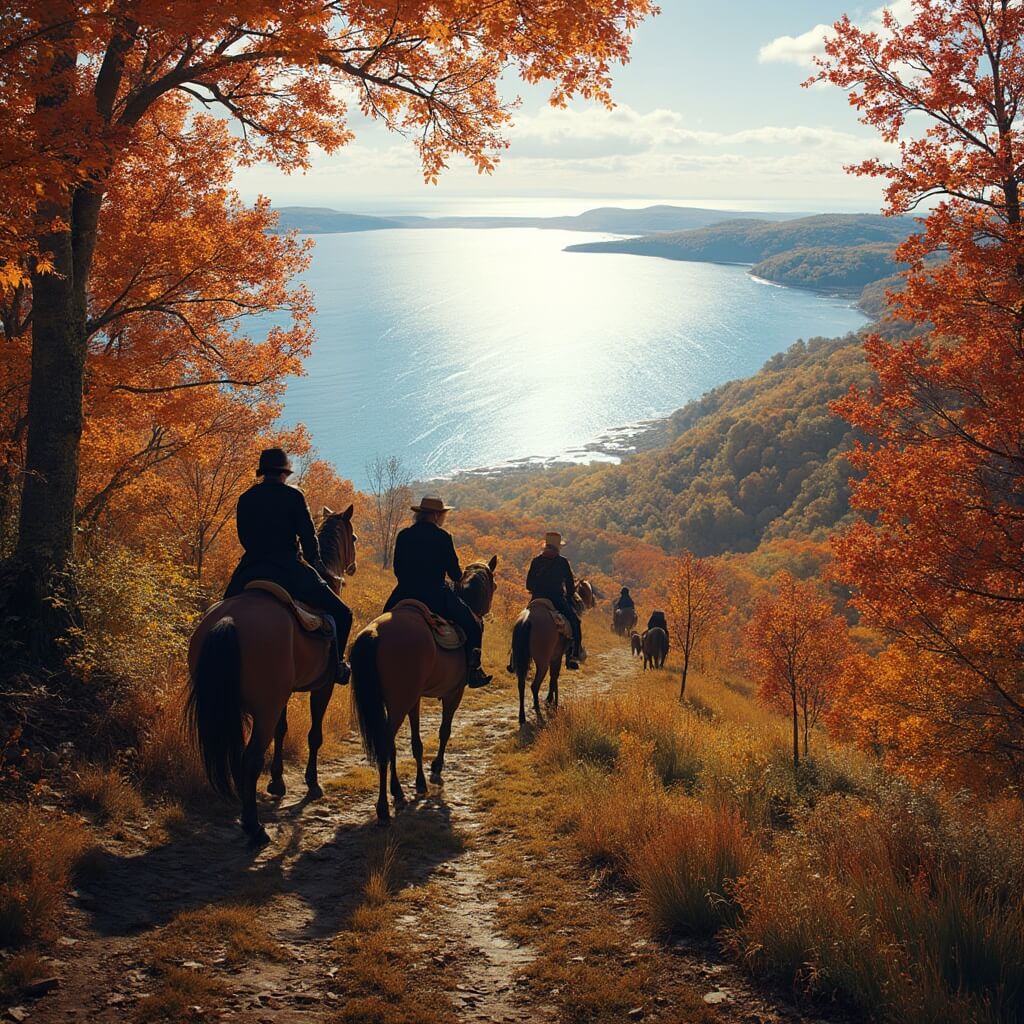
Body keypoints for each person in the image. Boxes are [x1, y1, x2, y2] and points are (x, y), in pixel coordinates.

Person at [224, 448, 352, 684]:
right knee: (343, 613)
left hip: (250, 568)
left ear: (263, 472)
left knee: (222, 609)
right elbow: (308, 536)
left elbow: (244, 537)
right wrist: (316, 564)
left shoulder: (246, 499)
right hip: (288, 568)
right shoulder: (293, 496)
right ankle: (338, 666)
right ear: (284, 472)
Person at [383, 495, 492, 689]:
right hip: (436, 595)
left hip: (403, 593)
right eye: (442, 514)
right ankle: (473, 671)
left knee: (380, 623)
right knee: (473, 625)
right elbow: (455, 574)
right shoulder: (443, 537)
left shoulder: (404, 535)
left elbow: (397, 570)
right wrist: (457, 577)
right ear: (435, 515)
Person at [526, 531, 582, 670]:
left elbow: (528, 584)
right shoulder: (562, 562)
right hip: (556, 599)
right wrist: (568, 596)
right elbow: (570, 586)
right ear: (558, 547)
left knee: (521, 621)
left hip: (537, 598)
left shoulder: (536, 560)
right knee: (575, 621)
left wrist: (537, 590)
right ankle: (573, 655)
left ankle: (514, 655)